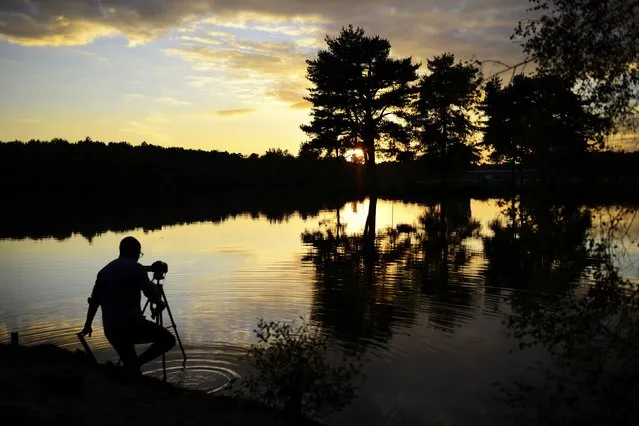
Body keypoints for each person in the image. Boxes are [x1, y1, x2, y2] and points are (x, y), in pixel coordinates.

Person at [80, 236, 175, 374]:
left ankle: (131, 370)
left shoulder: (104, 271)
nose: (139, 257)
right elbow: (151, 294)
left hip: (111, 330)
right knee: (168, 340)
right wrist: (158, 300)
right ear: (135, 252)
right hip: (132, 326)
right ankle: (136, 364)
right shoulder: (137, 269)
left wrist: (88, 325)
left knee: (131, 368)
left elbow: (94, 301)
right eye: (139, 254)